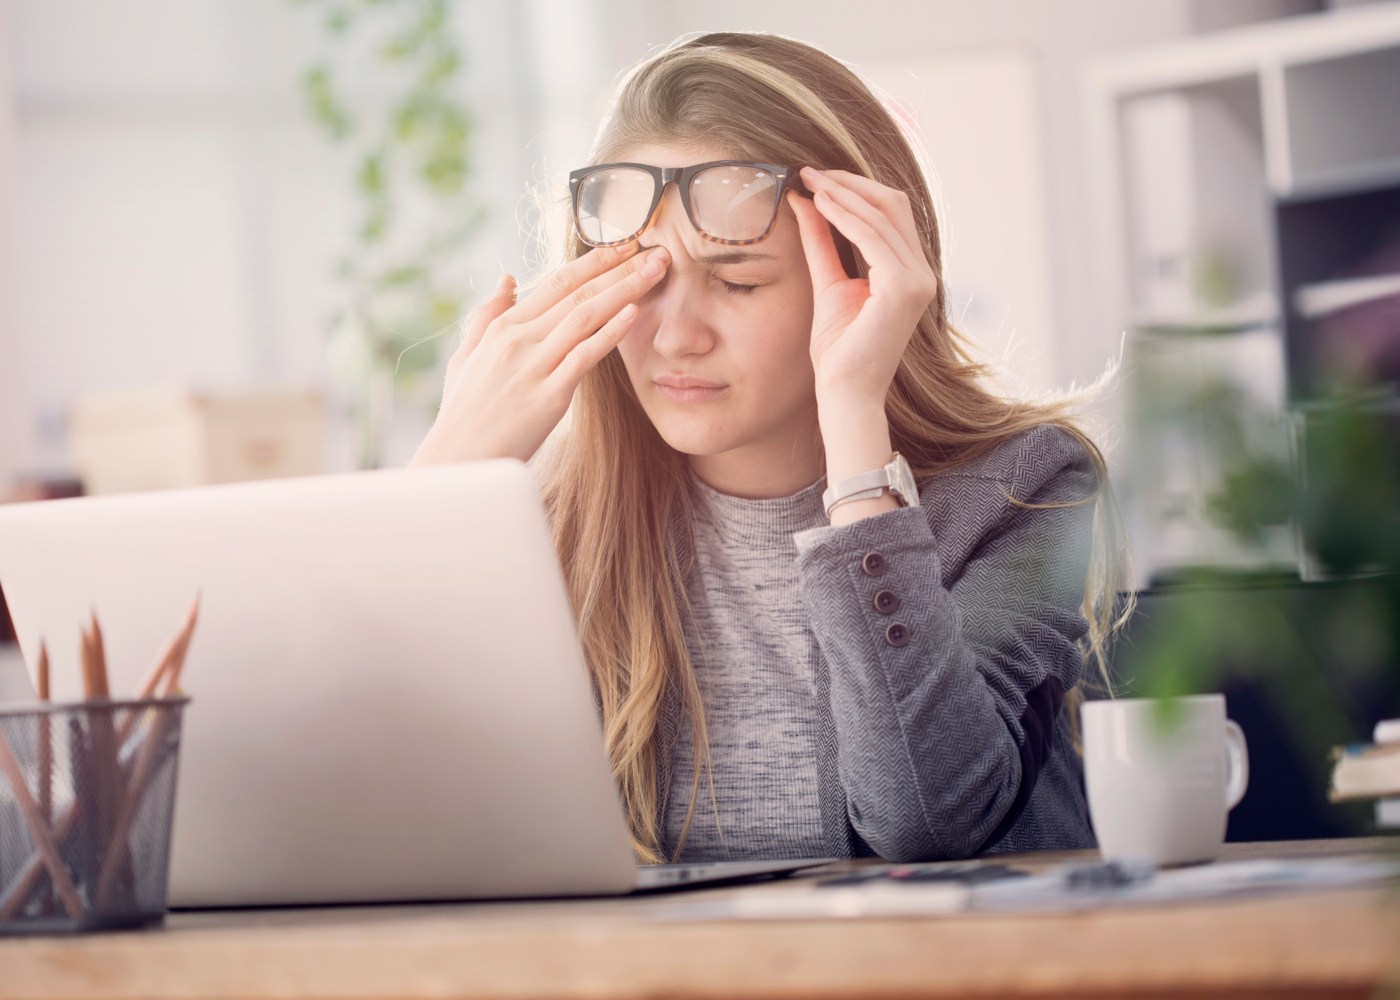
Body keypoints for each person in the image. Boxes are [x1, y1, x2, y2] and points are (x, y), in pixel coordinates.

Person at [411, 31, 1131, 864]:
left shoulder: (1024, 487)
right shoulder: (552, 522)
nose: (675, 337)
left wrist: (856, 433)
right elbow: (385, 816)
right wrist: (445, 482)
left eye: (738, 281)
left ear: (862, 282)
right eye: (642, 277)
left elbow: (927, 822)